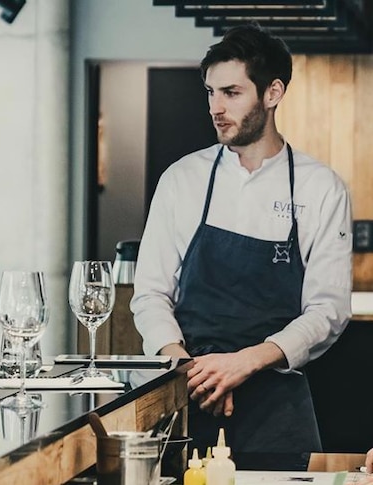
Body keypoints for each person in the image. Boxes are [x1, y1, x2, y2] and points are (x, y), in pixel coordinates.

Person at [131, 24, 352, 454]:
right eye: (211, 92)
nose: (216, 107)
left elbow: (329, 309)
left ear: (272, 93)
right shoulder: (181, 179)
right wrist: (188, 367)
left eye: (231, 92)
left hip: (276, 408)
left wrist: (244, 362)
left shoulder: (321, 188)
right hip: (187, 397)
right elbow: (150, 293)